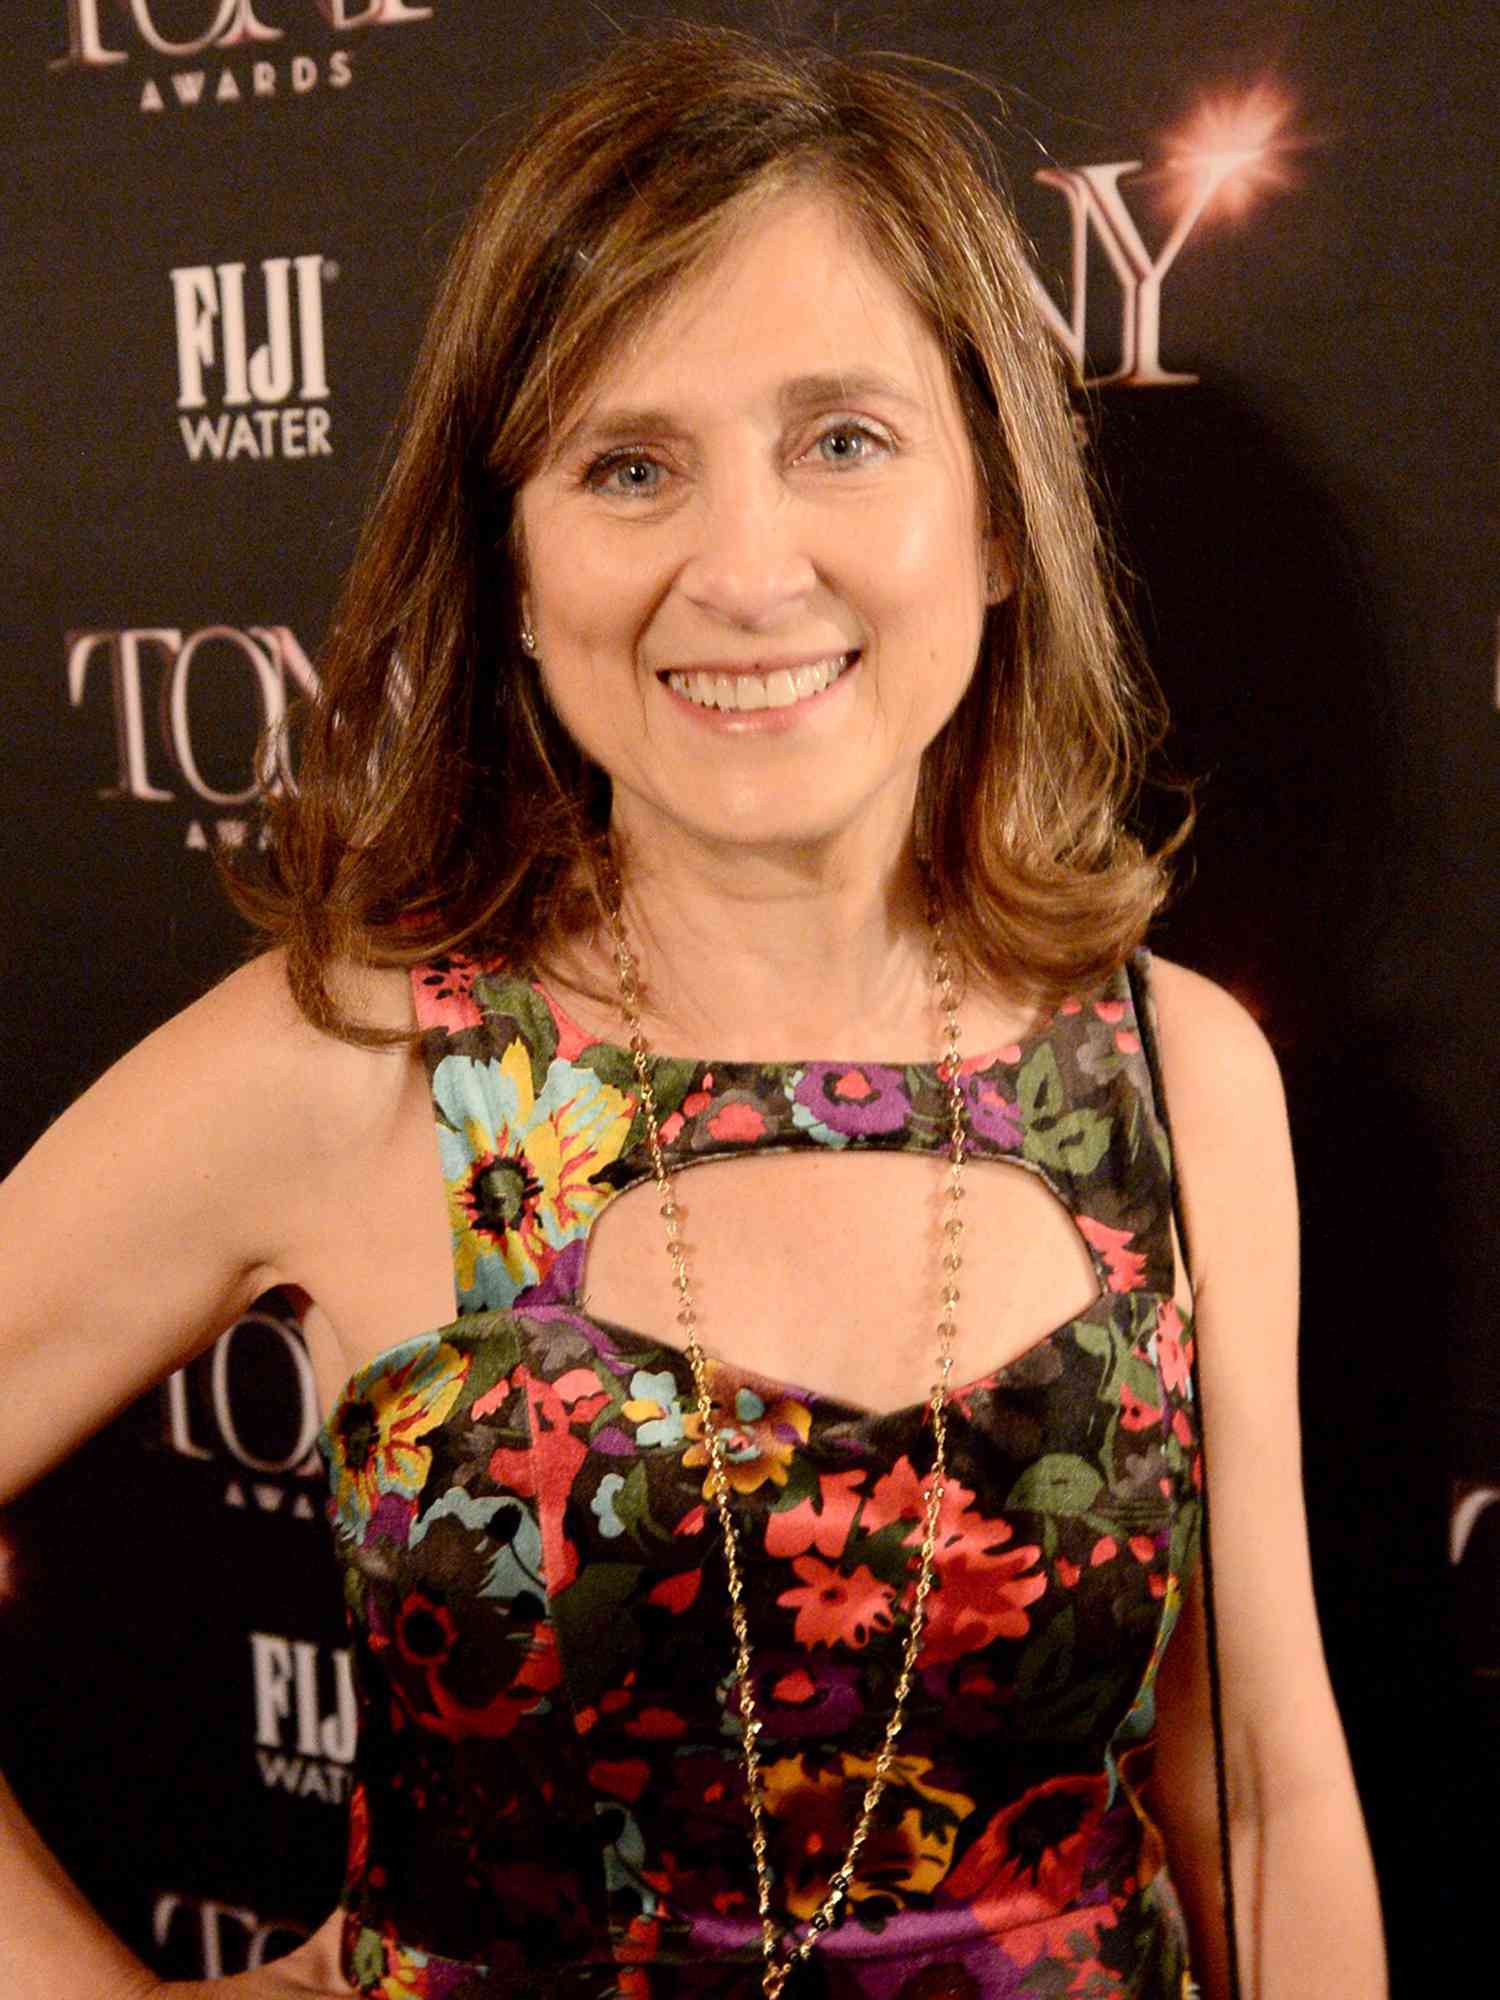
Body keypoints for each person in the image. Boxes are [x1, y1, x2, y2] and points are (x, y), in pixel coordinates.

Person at [0, 24, 1384, 2000]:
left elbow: (1266, 1788)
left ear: (995, 514)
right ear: (519, 555)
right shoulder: (365, 1071)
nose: (745, 568)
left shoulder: (1175, 1077)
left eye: (842, 439)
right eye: (629, 465)